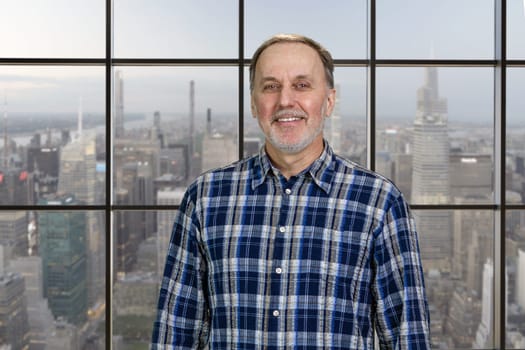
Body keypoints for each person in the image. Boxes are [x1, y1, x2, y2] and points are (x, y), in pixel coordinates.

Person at [151, 33, 430, 349]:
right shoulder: (204, 199)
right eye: (270, 86)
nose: (285, 100)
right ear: (255, 103)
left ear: (329, 100)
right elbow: (175, 335)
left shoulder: (380, 203)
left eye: (302, 85)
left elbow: (408, 339)